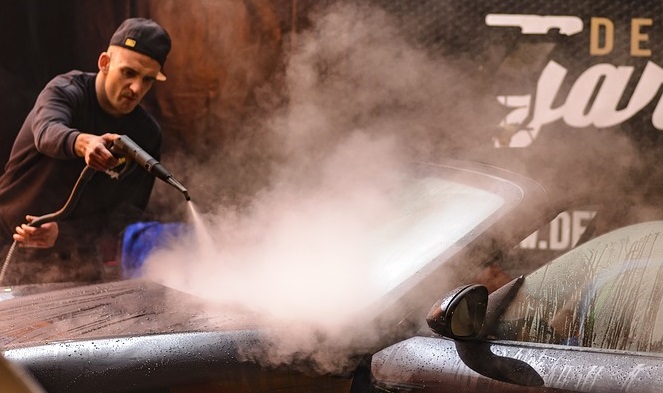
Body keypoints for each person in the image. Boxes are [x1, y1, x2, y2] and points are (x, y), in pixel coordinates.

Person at [0, 18, 172, 285]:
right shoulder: (65, 91)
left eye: (147, 80)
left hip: (74, 258)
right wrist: (84, 143)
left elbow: (124, 216)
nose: (137, 88)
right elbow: (46, 131)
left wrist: (64, 234)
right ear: (104, 63)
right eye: (128, 73)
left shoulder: (146, 134)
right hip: (7, 241)